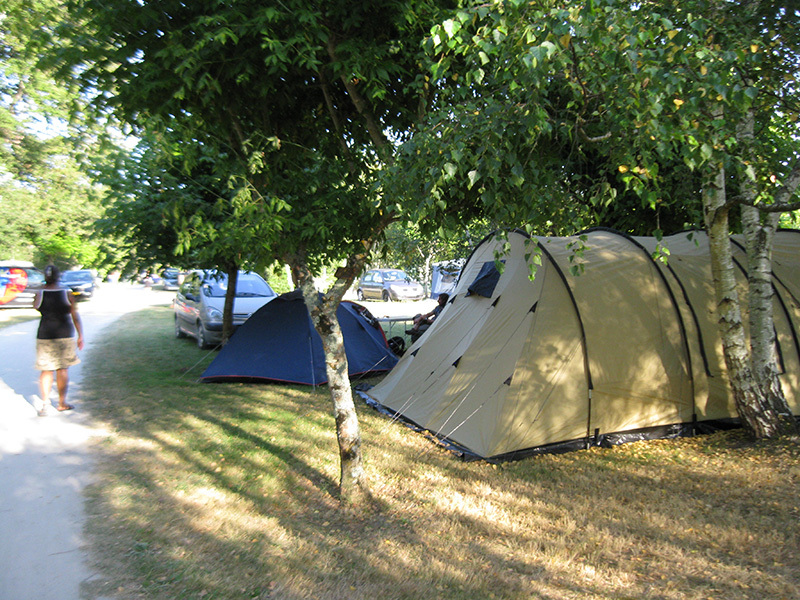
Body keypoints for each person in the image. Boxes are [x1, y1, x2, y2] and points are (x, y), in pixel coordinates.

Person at [33, 265, 84, 415]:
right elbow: (75, 315)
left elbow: (36, 306)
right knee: (62, 369)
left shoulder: (39, 293)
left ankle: (45, 404)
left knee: (46, 370)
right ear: (58, 276)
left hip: (44, 335)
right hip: (65, 334)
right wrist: (80, 335)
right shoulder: (67, 293)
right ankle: (62, 403)